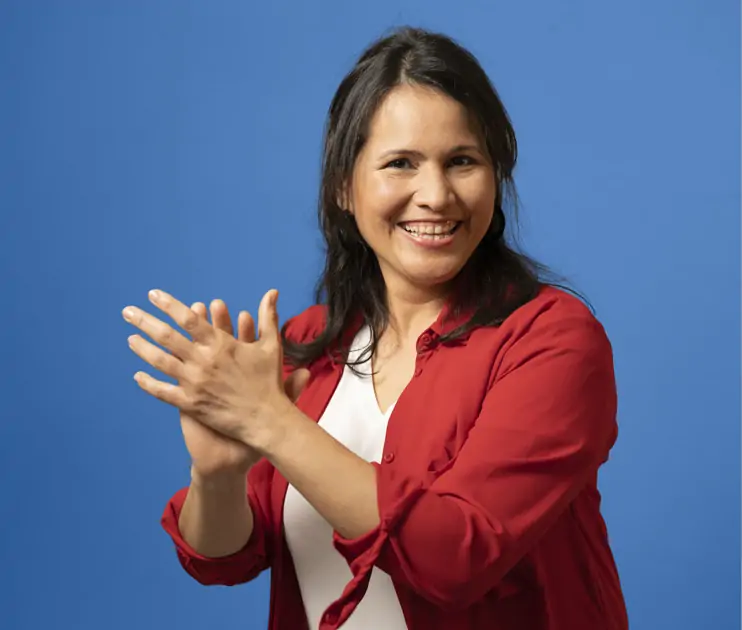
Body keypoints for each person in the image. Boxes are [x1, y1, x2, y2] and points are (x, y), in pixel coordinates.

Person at [123, 26, 628, 630]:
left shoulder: (553, 340)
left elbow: (457, 556)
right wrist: (218, 476)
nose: (435, 195)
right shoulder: (308, 344)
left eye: (462, 161)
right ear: (345, 186)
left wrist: (270, 422)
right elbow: (224, 558)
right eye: (400, 164)